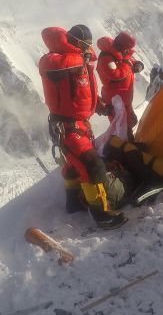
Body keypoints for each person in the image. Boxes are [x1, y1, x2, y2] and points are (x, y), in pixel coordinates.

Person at [38, 25, 127, 230]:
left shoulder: (78, 61)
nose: (87, 49)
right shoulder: (53, 59)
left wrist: (100, 105)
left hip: (78, 123)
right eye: (85, 45)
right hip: (67, 125)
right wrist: (82, 56)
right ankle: (101, 214)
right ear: (76, 42)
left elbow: (83, 89)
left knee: (74, 164)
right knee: (91, 164)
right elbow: (51, 65)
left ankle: (73, 202)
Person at [96, 32, 144, 141]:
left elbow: (132, 61)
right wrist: (128, 63)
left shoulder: (120, 53)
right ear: (122, 46)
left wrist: (139, 64)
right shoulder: (106, 57)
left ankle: (130, 146)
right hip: (115, 102)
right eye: (127, 49)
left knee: (131, 121)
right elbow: (116, 75)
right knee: (122, 130)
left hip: (125, 100)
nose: (128, 51)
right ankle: (125, 151)